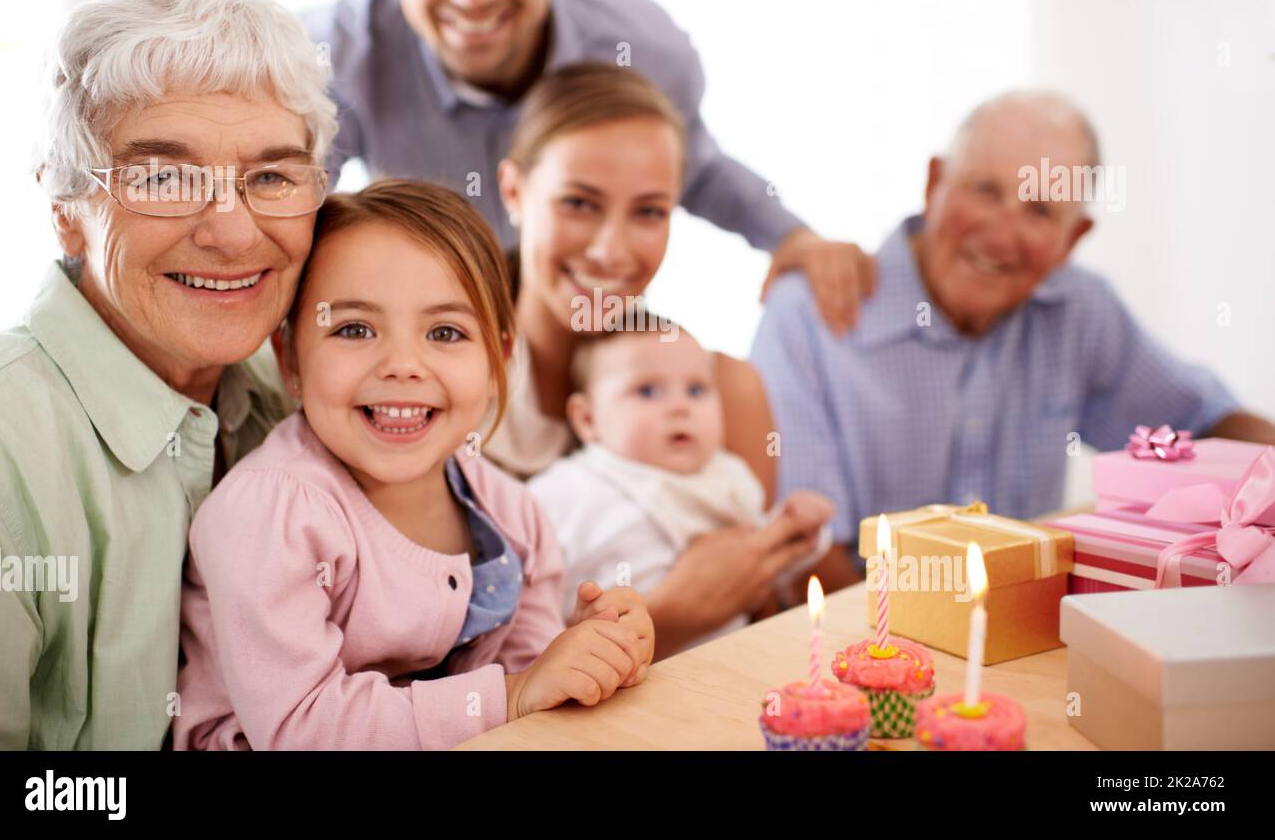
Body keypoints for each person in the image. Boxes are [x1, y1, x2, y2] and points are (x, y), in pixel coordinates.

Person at [0, 0, 335, 749]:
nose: (234, 233)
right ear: (67, 211)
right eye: (166, 175)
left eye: (271, 175)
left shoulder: (305, 392)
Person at [174, 180, 654, 750]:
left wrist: (586, 656)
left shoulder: (514, 516)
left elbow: (533, 692)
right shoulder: (271, 514)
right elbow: (303, 730)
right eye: (354, 329)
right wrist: (513, 694)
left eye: (445, 332)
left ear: (499, 358)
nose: (403, 364)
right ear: (291, 360)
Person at [305, 0, 874, 334]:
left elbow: (695, 169)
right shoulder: (329, 58)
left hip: (587, 345)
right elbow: (295, 215)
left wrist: (793, 237)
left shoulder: (643, 50)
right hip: (436, 339)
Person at [750, 91, 1275, 546]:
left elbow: (1208, 425)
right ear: (934, 183)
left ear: (1073, 239)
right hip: (866, 645)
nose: (1002, 234)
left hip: (1023, 641)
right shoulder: (807, 314)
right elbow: (803, 557)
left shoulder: (1080, 310)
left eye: (1040, 211)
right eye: (986, 190)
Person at [490, 61, 854, 652]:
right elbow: (440, 661)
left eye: (649, 212)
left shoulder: (723, 391)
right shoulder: (451, 383)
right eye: (579, 203)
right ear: (513, 192)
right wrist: (664, 615)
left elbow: (757, 610)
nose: (610, 250)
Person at [528, 323, 833, 658]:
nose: (679, 407)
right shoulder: (563, 492)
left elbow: (763, 561)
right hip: (602, 685)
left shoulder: (726, 476)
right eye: (647, 391)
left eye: (696, 390)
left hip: (718, 667)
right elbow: (527, 608)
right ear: (587, 419)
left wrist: (799, 526)